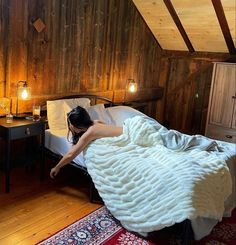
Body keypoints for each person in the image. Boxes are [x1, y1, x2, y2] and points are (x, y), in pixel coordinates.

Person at [50, 106, 123, 178]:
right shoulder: (96, 122)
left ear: (74, 125)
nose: (69, 126)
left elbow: (71, 154)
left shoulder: (90, 133)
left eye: (70, 124)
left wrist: (57, 167)